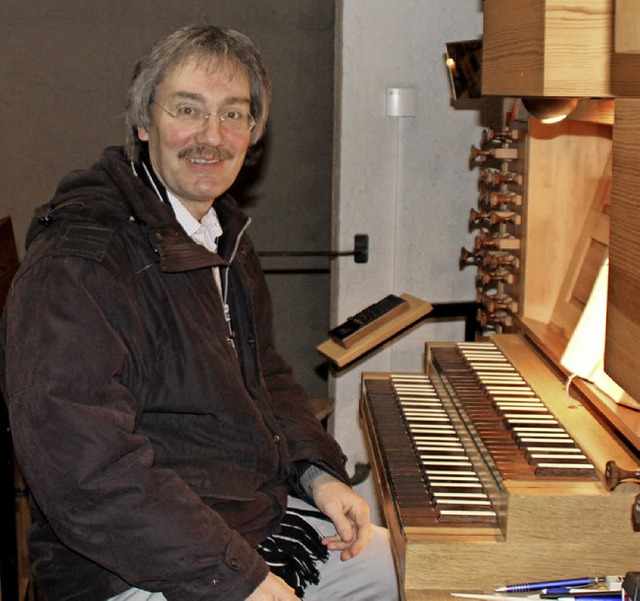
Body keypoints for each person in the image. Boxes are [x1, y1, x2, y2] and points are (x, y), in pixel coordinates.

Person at [1, 22, 400, 601]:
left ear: (253, 132)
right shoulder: (80, 263)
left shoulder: (217, 231)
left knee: (412, 570)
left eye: (233, 114)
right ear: (144, 123)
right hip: (127, 563)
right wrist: (237, 577)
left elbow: (265, 374)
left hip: (238, 516)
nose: (211, 136)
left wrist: (316, 475)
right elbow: (85, 475)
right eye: (188, 109)